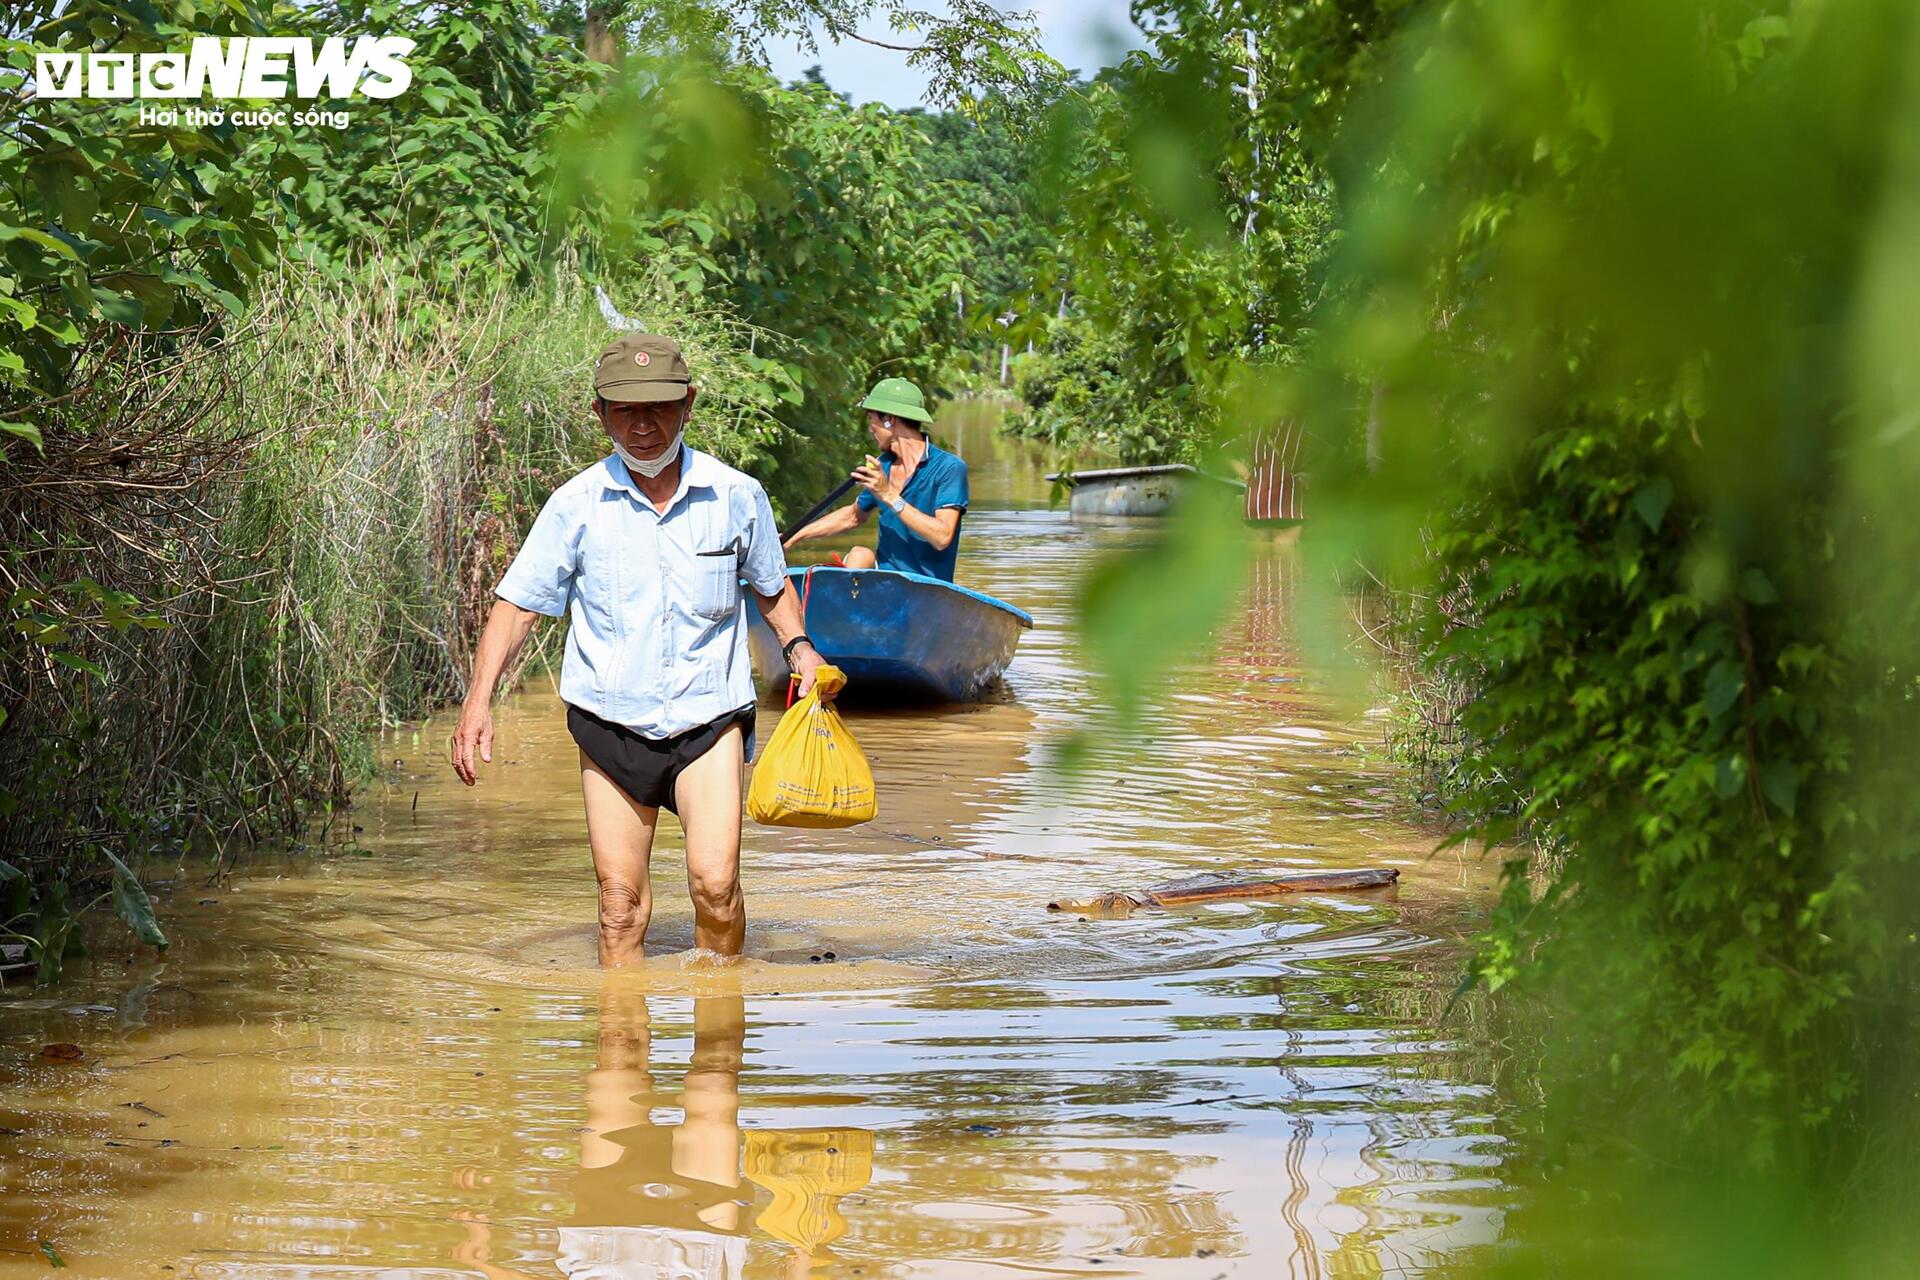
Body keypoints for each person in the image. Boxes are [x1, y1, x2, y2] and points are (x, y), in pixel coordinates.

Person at [449, 332, 824, 966]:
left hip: (708, 719)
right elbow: (518, 605)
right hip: (610, 724)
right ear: (600, 413)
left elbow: (771, 586)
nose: (643, 426)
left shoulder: (736, 495)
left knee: (716, 889)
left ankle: (721, 1006)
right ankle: (621, 1019)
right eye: (625, 410)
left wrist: (801, 648)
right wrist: (477, 700)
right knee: (619, 906)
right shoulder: (575, 505)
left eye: (659, 408)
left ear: (688, 405)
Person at [781, 377, 970, 582]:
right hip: (885, 581)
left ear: (890, 419)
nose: (871, 428)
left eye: (872, 419)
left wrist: (888, 495)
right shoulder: (883, 466)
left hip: (929, 586)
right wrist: (794, 536)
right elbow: (853, 516)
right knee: (859, 555)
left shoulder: (949, 468)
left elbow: (942, 537)